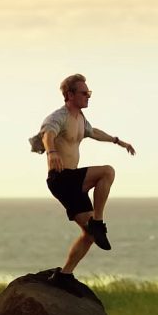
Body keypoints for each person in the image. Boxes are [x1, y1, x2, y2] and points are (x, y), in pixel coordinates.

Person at [29, 74, 136, 288]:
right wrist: (51, 151)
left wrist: (118, 141)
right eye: (84, 93)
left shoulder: (80, 119)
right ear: (69, 95)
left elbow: (93, 132)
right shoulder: (58, 116)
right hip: (62, 178)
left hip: (72, 182)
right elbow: (47, 133)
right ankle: (98, 221)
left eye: (89, 93)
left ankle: (64, 275)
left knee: (89, 235)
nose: (88, 96)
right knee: (107, 171)